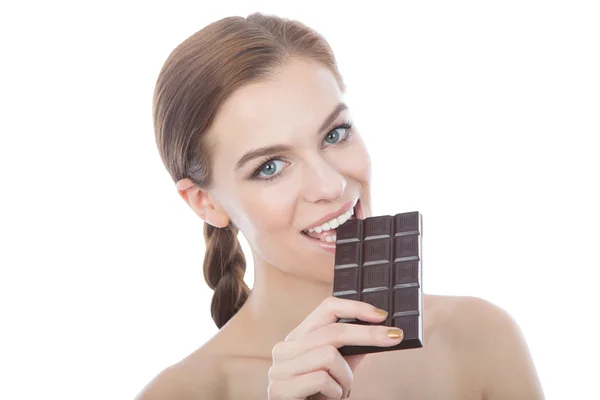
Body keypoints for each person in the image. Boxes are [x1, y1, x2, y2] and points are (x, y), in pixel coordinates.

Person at [136, 12, 544, 400]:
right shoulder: (181, 394)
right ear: (205, 202)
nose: (331, 185)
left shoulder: (478, 338)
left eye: (335, 134)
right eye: (271, 167)